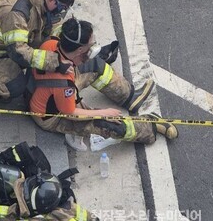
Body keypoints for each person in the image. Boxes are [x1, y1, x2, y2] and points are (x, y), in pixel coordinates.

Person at [27, 18, 178, 147]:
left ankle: (129, 96)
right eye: (91, 45)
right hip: (54, 116)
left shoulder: (52, 45)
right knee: (109, 124)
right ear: (79, 50)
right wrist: (103, 113)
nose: (94, 46)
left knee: (96, 65)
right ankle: (149, 126)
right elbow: (71, 113)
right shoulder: (63, 86)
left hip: (47, 92)